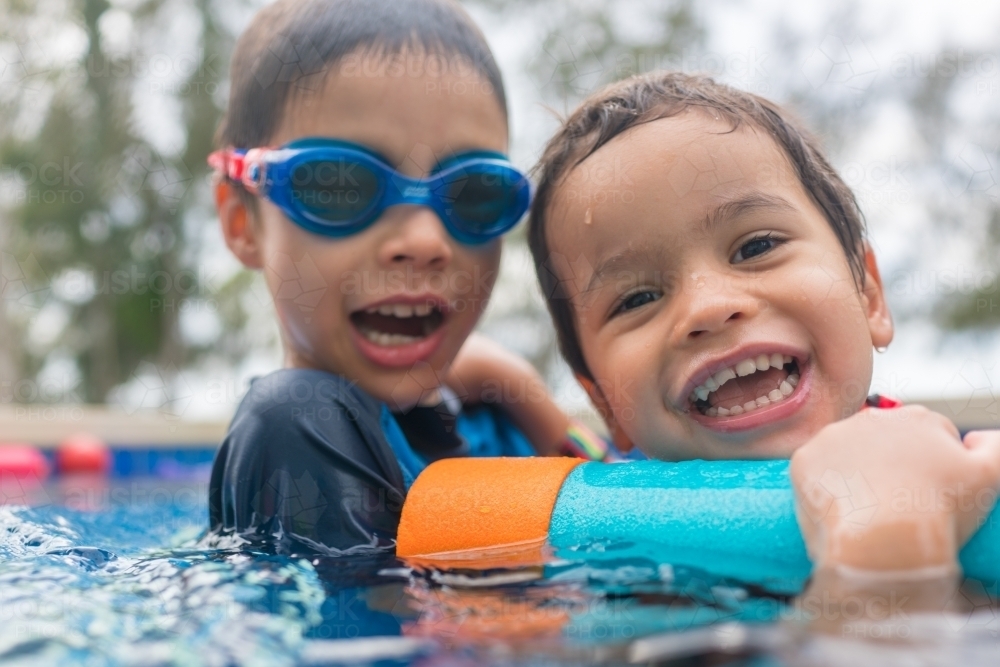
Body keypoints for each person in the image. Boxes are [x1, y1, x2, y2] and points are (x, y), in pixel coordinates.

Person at [527, 71, 1000, 591]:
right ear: (605, 403)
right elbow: (582, 453)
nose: (708, 307)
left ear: (868, 296)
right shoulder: (605, 517)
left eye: (756, 247)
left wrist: (887, 547)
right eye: (637, 298)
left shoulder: (947, 467)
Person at [205, 0, 607, 555]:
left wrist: (521, 390)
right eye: (340, 185)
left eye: (473, 194)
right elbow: (376, 632)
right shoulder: (294, 426)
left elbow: (612, 493)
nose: (423, 242)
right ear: (241, 222)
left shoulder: (496, 421)